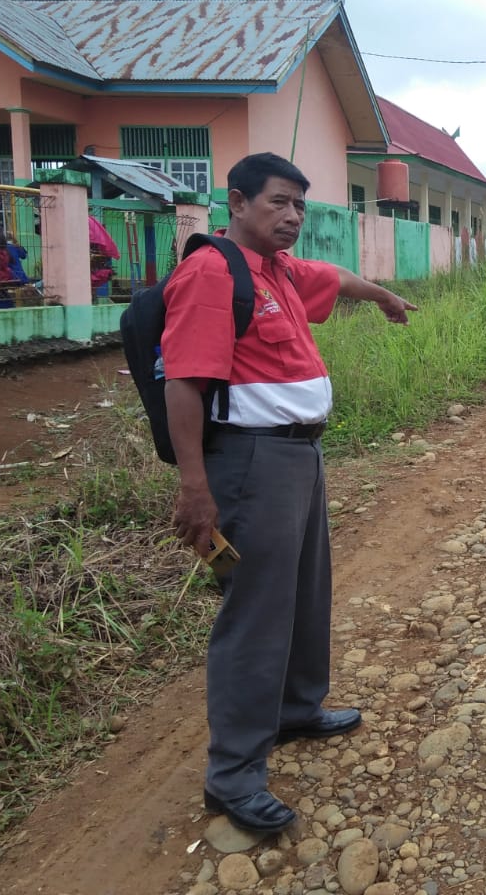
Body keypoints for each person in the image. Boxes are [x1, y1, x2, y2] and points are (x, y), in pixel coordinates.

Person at [162, 152, 417, 834]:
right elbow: (183, 382)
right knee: (257, 612)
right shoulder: (213, 272)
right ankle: (233, 775)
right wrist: (195, 487)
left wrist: (384, 297)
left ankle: (296, 709)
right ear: (237, 202)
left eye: (300, 205)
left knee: (306, 590)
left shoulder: (276, 271)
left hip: (300, 455)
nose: (293, 215)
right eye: (279, 201)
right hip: (251, 461)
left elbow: (337, 277)